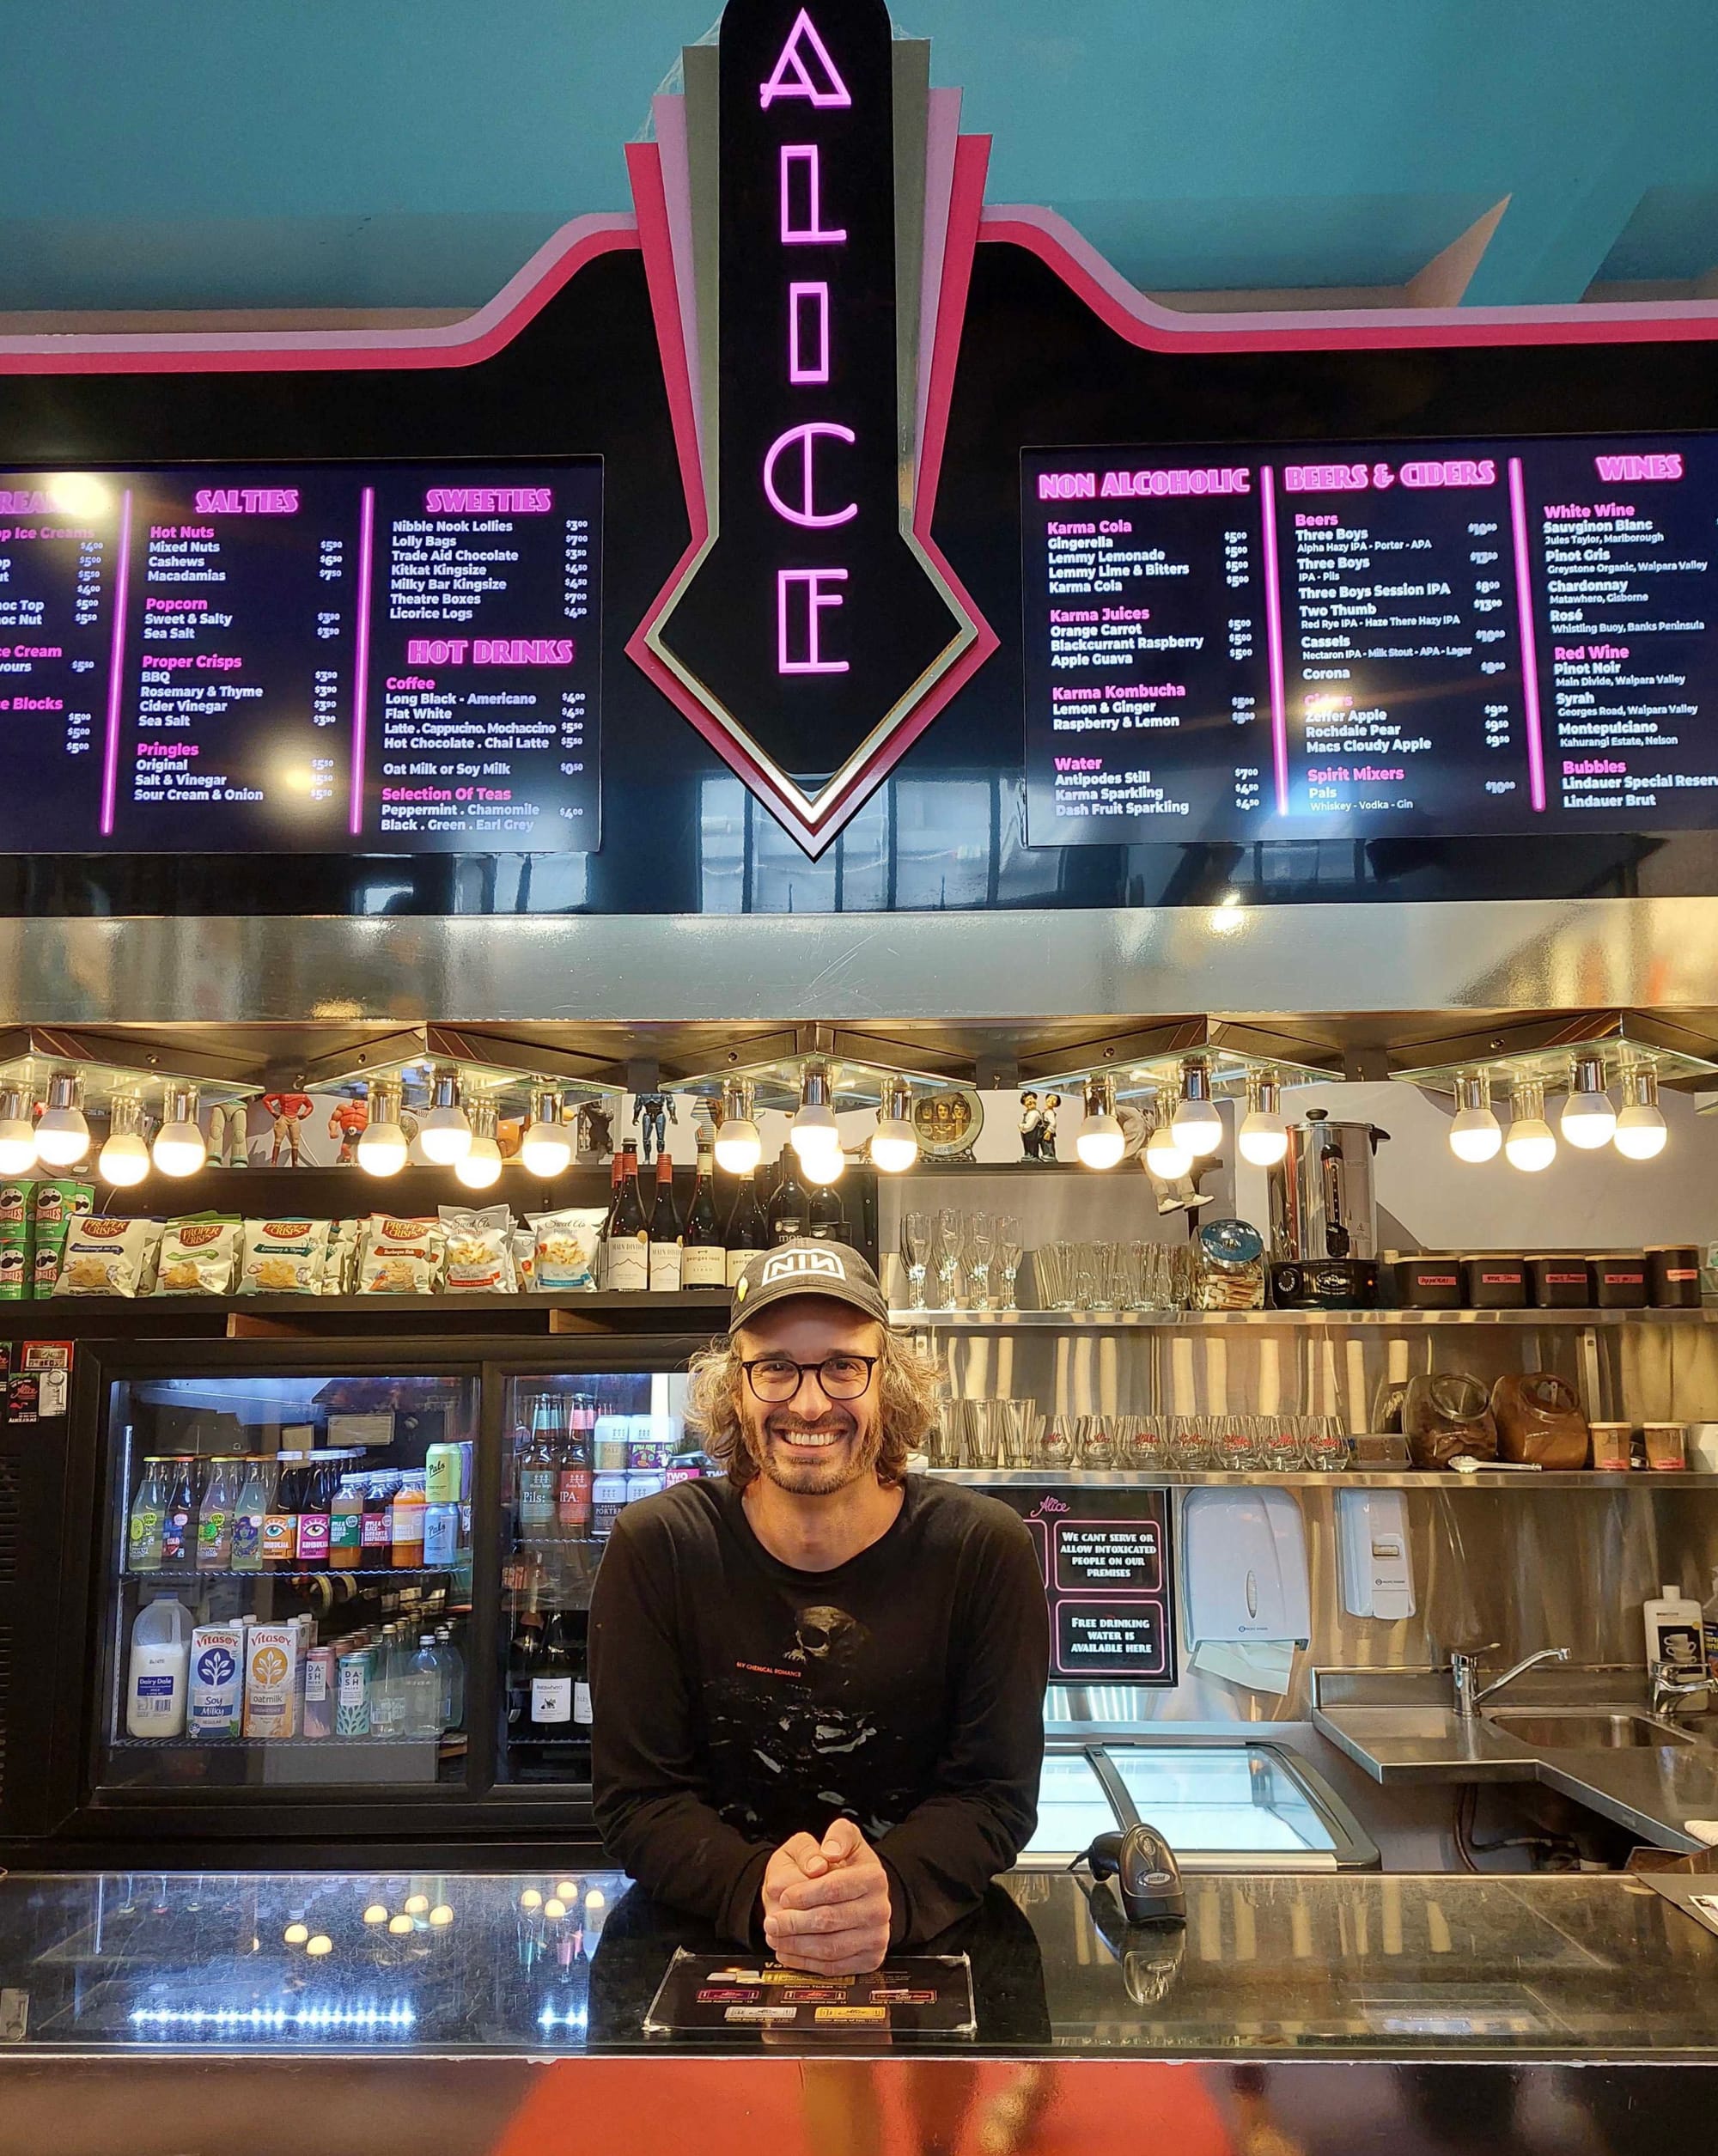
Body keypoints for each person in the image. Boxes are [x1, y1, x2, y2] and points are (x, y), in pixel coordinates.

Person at [590, 1240, 1048, 1975]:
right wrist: (759, 1889)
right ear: (734, 1389)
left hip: (924, 1946)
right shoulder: (660, 1547)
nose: (809, 1404)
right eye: (775, 1367)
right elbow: (639, 1802)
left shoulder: (982, 1550)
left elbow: (993, 1797)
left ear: (888, 1382)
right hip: (703, 1944)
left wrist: (886, 1892)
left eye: (843, 1366)